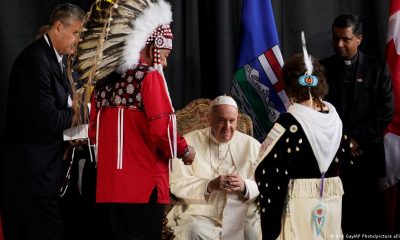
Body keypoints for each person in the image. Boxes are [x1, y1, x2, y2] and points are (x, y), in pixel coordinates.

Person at [86, 0, 195, 239]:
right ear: (153, 47)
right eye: (164, 55)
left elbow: (93, 132)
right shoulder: (149, 78)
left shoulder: (103, 82)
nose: (164, 63)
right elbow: (162, 130)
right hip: (143, 187)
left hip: (107, 189)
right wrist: (184, 149)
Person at [1, 3, 85, 240]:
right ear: (59, 26)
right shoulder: (36, 60)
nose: (78, 40)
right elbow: (48, 118)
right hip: (30, 176)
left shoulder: (56, 59)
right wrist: (82, 111)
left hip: (45, 172)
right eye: (76, 32)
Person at [255, 52, 352, 240]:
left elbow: (265, 167)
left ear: (290, 87)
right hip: (331, 202)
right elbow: (347, 156)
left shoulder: (288, 123)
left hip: (299, 203)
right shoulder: (334, 118)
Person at [320, 14, 394, 235]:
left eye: (345, 39)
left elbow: (385, 111)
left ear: (359, 38)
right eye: (335, 38)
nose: (339, 44)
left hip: (366, 155)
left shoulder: (377, 68)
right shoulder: (321, 68)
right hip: (333, 157)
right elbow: (316, 109)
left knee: (368, 218)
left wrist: (356, 140)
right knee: (335, 219)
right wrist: (343, 142)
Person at [167, 95, 261, 240]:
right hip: (201, 213)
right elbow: (176, 182)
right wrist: (209, 185)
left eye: (232, 121)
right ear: (209, 119)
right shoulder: (188, 143)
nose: (227, 127)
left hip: (242, 212)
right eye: (221, 121)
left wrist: (245, 186)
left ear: (238, 120)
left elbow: (267, 184)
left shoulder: (253, 146)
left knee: (256, 232)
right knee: (195, 231)